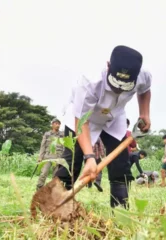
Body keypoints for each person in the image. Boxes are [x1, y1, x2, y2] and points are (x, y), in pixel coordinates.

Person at [55, 45, 151, 208]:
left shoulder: (143, 76)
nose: (118, 89)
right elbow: (82, 121)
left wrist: (145, 113)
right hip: (83, 118)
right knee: (71, 164)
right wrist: (90, 157)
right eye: (115, 83)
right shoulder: (90, 82)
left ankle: (121, 211)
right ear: (108, 66)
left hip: (114, 118)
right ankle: (54, 207)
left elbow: (145, 91)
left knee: (121, 167)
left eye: (125, 85)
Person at [36, 118, 64, 190]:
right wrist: (40, 157)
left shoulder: (62, 134)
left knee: (56, 176)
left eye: (59, 124)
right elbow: (42, 146)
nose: (58, 125)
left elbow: (64, 146)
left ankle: (53, 190)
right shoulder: (47, 134)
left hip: (58, 158)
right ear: (52, 125)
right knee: (43, 173)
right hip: (47, 157)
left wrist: (63, 158)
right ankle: (39, 188)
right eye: (56, 123)